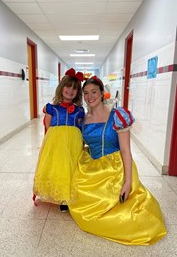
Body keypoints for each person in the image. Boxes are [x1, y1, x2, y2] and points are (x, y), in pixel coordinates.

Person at [69, 76, 167, 245]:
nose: (89, 96)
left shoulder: (117, 116)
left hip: (114, 169)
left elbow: (126, 151)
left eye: (94, 92)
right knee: (80, 202)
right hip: (90, 167)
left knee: (127, 215)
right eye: (86, 93)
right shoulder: (82, 119)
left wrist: (128, 183)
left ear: (102, 93)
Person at [33, 68, 85, 212]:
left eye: (75, 88)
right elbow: (48, 126)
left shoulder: (79, 110)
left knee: (71, 167)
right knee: (58, 166)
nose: (70, 90)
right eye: (68, 86)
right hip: (56, 142)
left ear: (78, 93)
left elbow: (80, 127)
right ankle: (58, 194)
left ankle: (67, 196)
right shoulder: (51, 108)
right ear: (61, 88)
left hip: (73, 143)